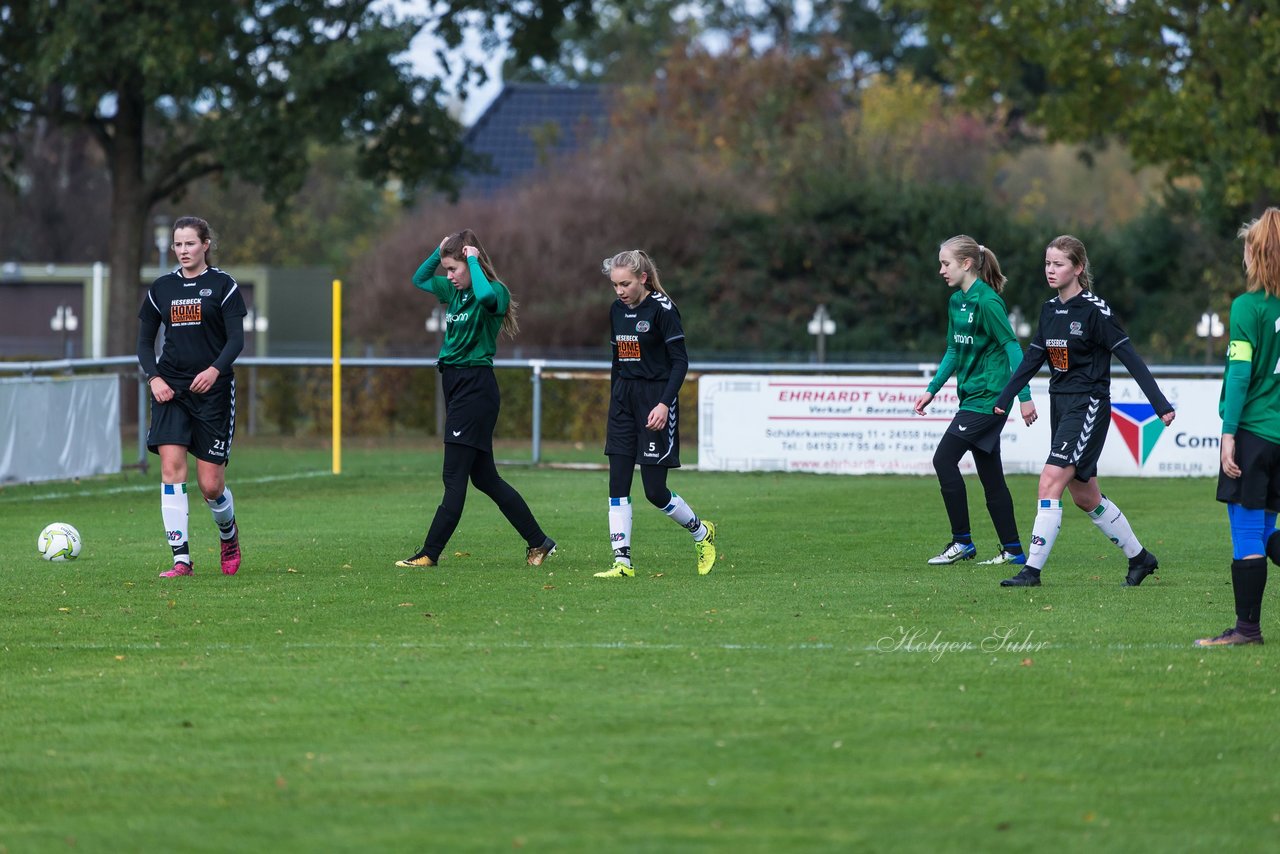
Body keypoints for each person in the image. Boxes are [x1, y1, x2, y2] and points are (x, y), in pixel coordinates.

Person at [992, 234, 1174, 587]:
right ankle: (1140, 558)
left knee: (1049, 481)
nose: (1050, 269)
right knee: (1085, 495)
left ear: (1077, 268)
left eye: (1058, 264)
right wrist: (1007, 396)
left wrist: (1159, 404)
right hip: (1060, 405)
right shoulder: (1049, 310)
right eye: (1047, 263)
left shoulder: (1095, 311)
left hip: (1088, 405)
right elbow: (1033, 358)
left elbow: (1129, 356)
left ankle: (1031, 571)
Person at [396, 229, 556, 569]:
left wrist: (472, 259)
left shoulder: (492, 290)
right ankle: (539, 542)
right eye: (447, 270)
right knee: (485, 478)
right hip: (456, 386)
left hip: (475, 388)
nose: (449, 276)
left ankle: (429, 553)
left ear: (472, 263)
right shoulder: (451, 291)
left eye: (454, 269)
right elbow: (418, 279)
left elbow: (485, 297)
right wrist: (437, 251)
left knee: (453, 478)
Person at [914, 235, 1037, 567]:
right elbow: (954, 350)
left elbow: (1013, 348)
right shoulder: (957, 302)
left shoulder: (988, 302)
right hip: (971, 397)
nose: (941, 270)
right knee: (991, 475)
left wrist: (1024, 397)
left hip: (990, 399)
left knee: (944, 460)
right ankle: (1013, 549)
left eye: (945, 263)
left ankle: (962, 542)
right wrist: (932, 389)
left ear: (966, 264)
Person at [594, 250, 717, 578]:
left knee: (654, 490)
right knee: (617, 482)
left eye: (625, 284)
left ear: (643, 279)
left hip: (655, 400)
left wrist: (664, 403)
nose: (619, 291)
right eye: (615, 285)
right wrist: (615, 401)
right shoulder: (616, 310)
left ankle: (701, 532)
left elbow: (680, 362)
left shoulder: (663, 310)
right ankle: (622, 563)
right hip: (623, 401)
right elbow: (617, 361)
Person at [136, 216, 246, 577]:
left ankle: (228, 535)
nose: (183, 250)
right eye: (178, 244)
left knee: (211, 485)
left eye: (190, 244)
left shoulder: (223, 286)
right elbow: (143, 342)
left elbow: (236, 341)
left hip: (212, 392)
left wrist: (214, 370)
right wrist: (153, 378)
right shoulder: (161, 289)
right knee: (171, 471)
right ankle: (181, 559)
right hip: (171, 390)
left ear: (205, 245)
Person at [1196, 208, 1280, 646]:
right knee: (1267, 531)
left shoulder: (1249, 307)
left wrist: (1228, 434)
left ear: (1260, 252)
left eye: (1248, 247)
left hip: (1253, 434)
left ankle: (1247, 630)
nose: (1243, 256)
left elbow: (1241, 375)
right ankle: (1245, 628)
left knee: (1247, 533)